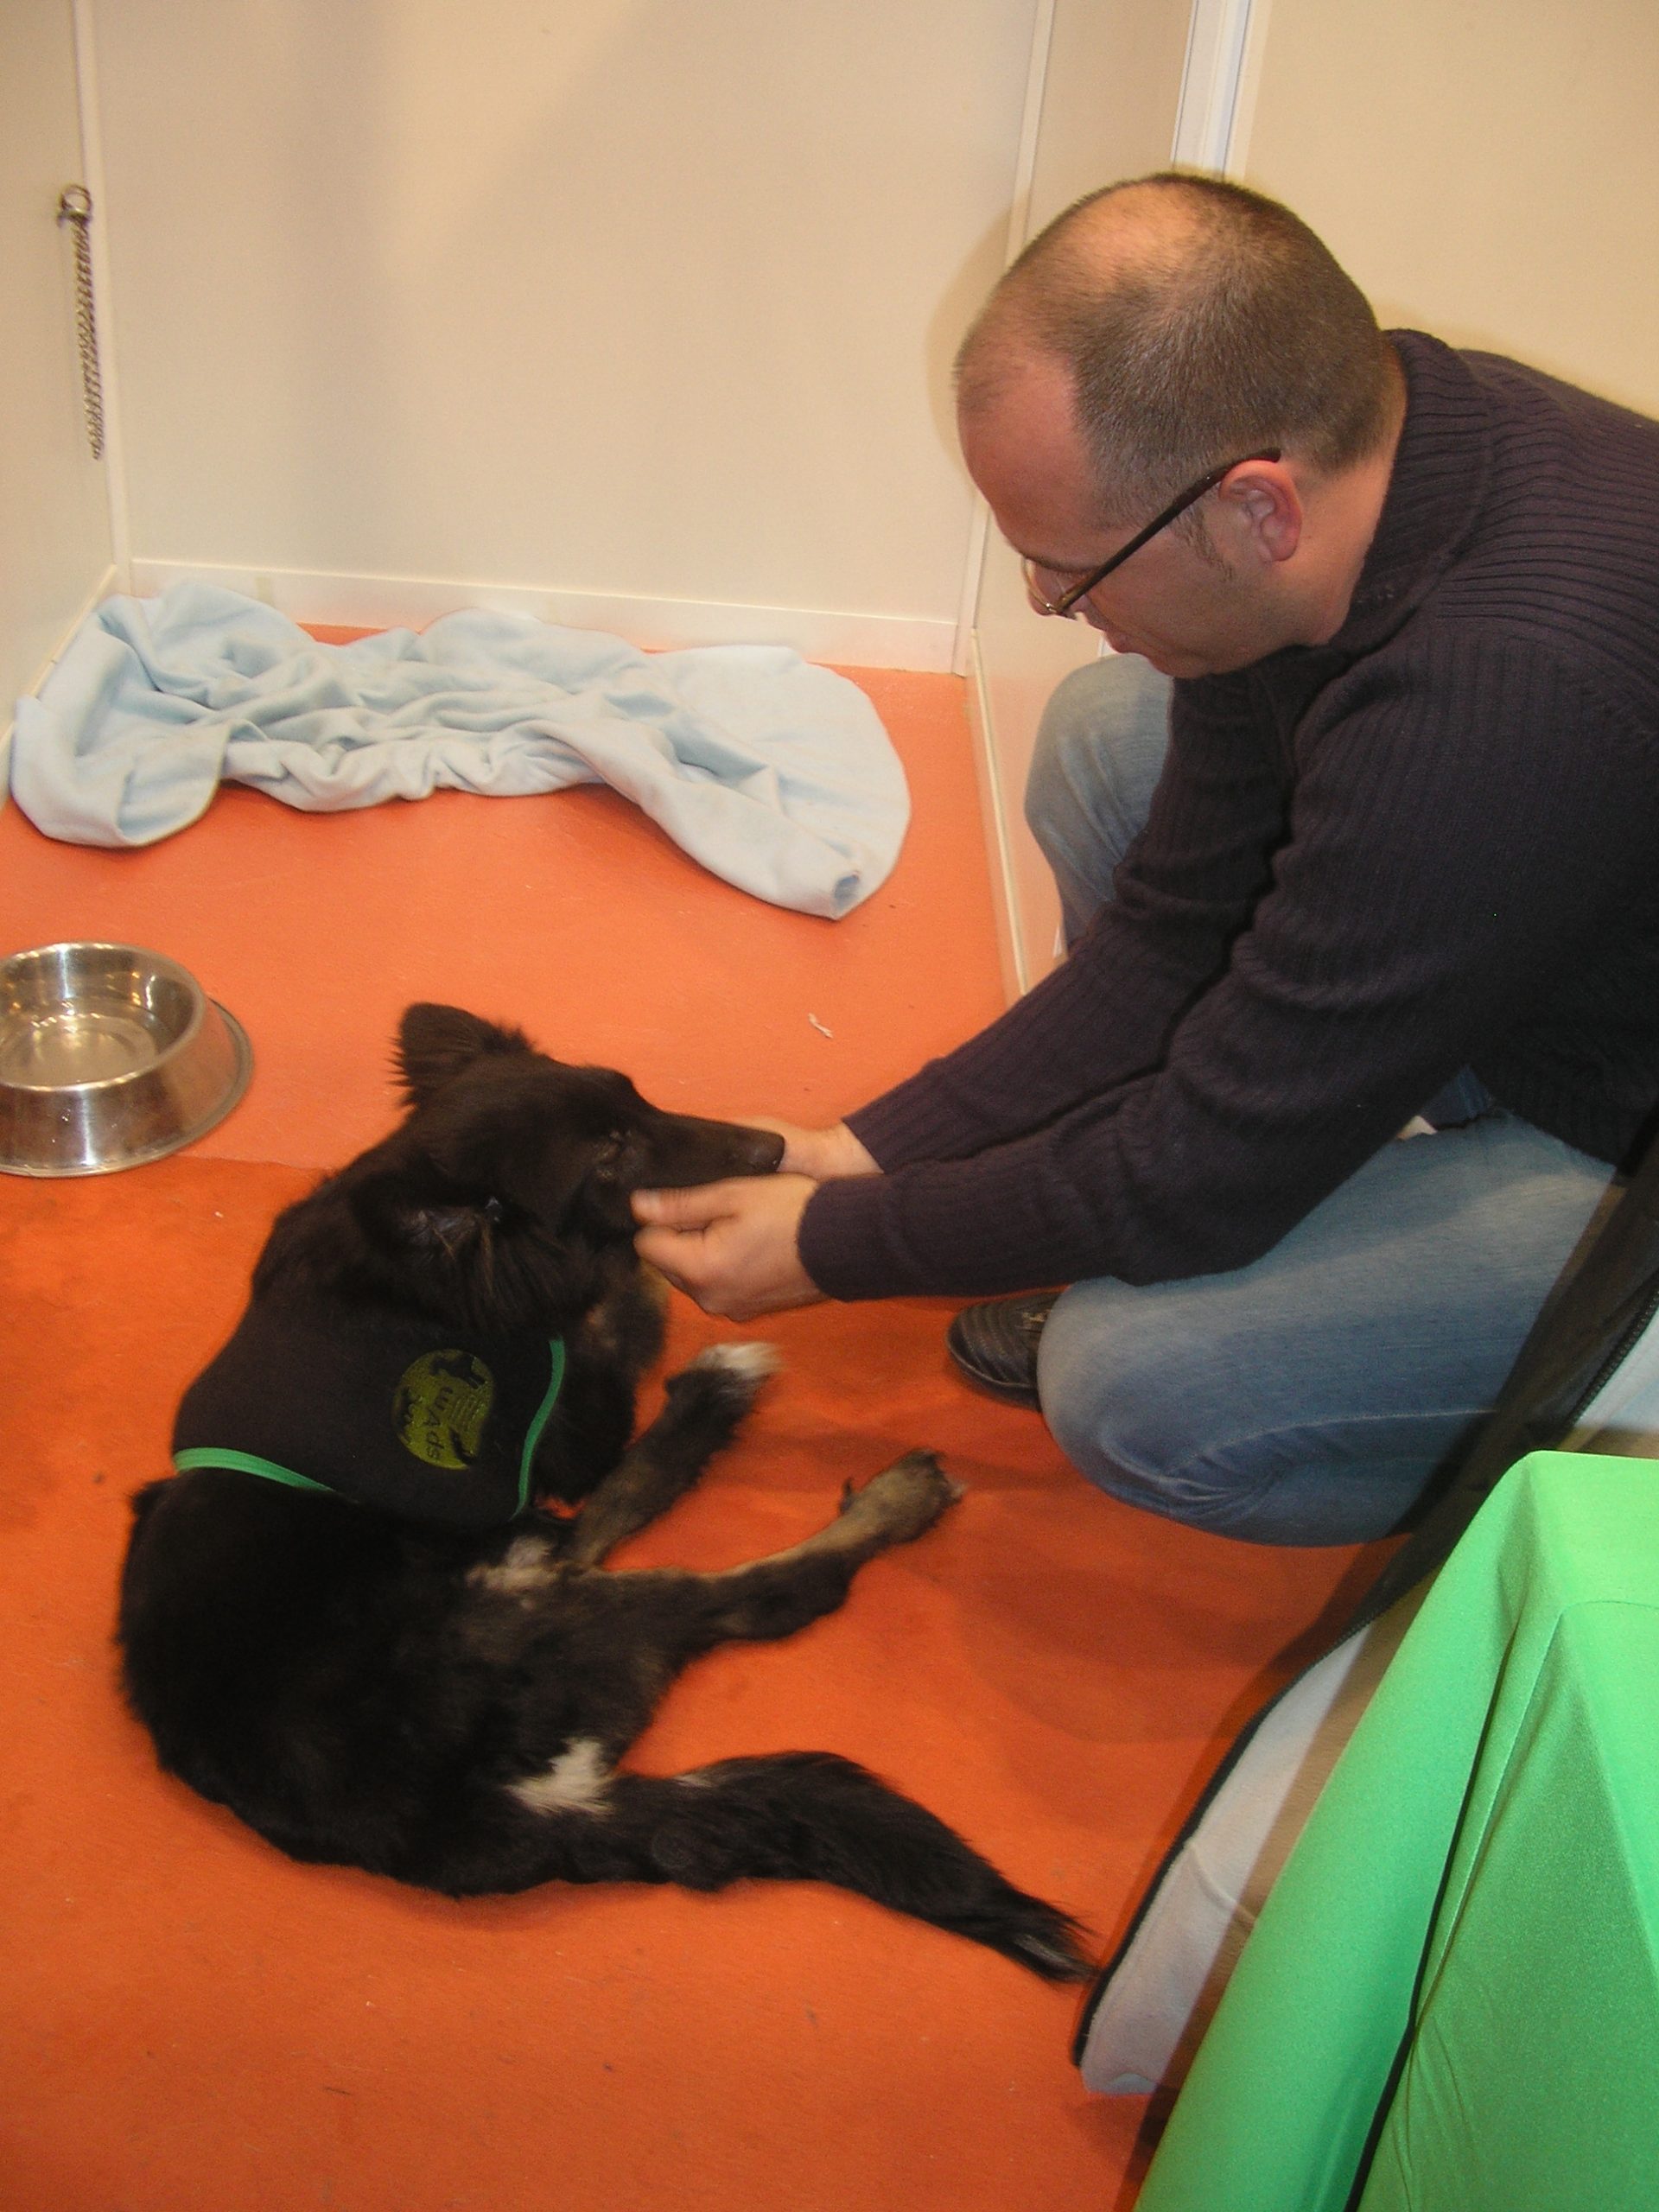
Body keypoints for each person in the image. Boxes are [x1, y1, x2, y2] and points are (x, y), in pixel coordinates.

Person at [632, 171, 1659, 1547]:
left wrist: (832, 1249)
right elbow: (1180, 935)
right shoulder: (1356, 462)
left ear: (1257, 511)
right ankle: (1329, 1162)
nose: (1058, 607)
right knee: (1113, 734)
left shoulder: (1490, 703)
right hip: (1549, 944)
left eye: (1075, 570)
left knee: (1140, 1389)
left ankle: (1593, 1478)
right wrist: (858, 1151)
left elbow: (1202, 1176)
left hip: (1622, 1131)